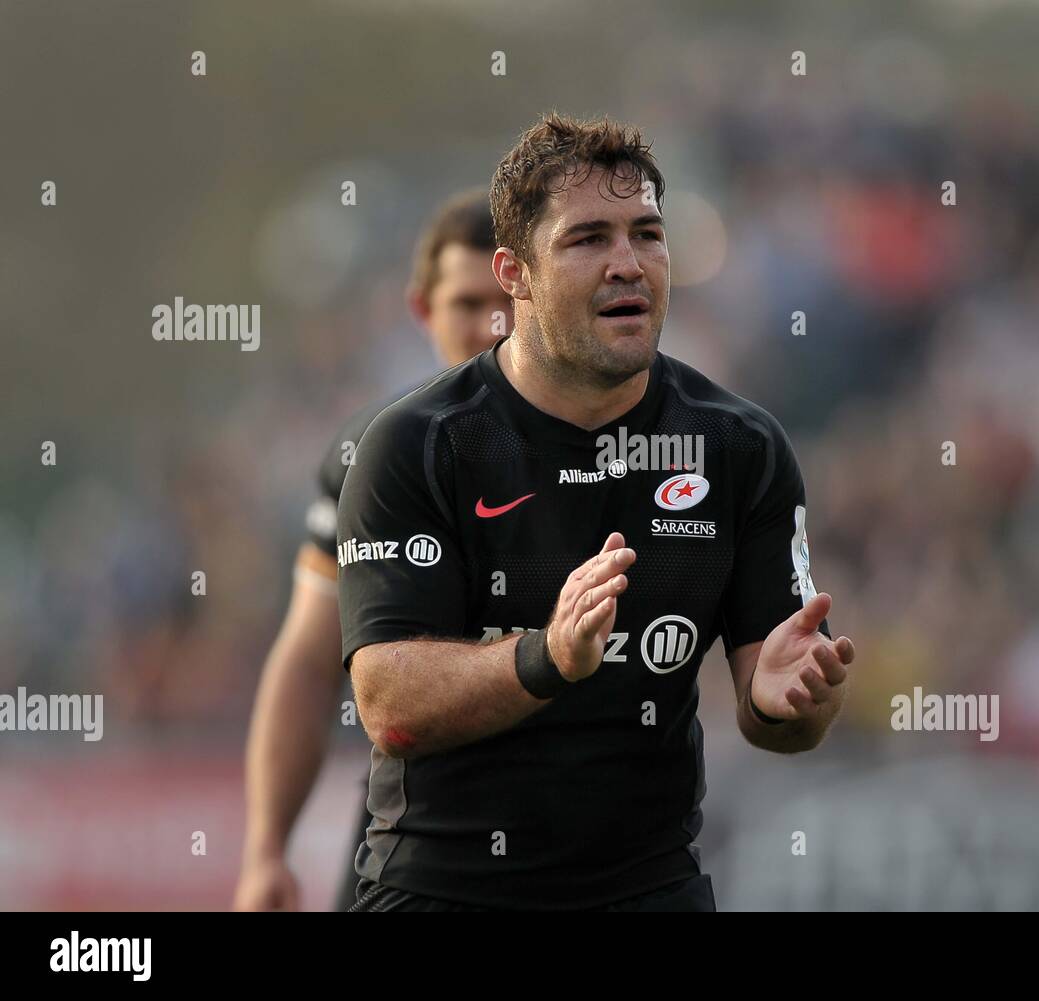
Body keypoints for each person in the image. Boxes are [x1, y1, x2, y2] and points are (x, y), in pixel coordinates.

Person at [339, 113, 856, 912]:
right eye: (587, 240)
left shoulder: (738, 447)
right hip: (443, 889)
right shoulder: (418, 445)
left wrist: (785, 703)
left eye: (647, 234)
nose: (628, 264)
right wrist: (546, 657)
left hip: (647, 888)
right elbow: (388, 704)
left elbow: (774, 708)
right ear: (515, 273)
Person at [234, 190, 513, 912]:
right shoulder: (373, 454)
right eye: (467, 303)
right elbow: (307, 655)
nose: (492, 326)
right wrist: (267, 850)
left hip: (596, 838)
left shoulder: (619, 439)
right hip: (413, 827)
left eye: (509, 300)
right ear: (422, 310)